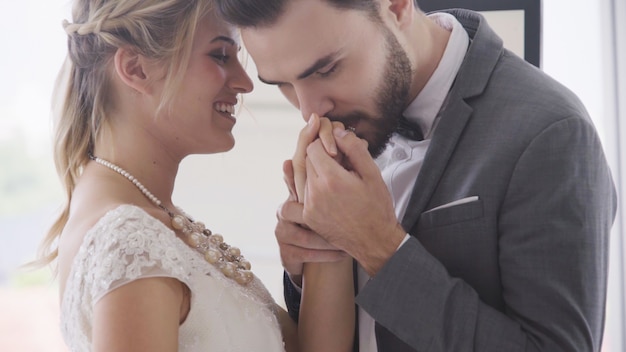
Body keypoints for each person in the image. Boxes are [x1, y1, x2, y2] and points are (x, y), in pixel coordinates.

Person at [214, 0, 618, 351]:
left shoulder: (551, 132)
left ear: (395, 7)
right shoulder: (342, 118)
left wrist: (379, 248)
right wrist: (308, 265)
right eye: (284, 84)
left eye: (326, 69)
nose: (309, 111)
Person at [33, 0, 355, 350]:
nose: (245, 83)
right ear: (136, 68)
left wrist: (326, 221)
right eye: (220, 55)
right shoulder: (128, 239)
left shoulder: (148, 218)